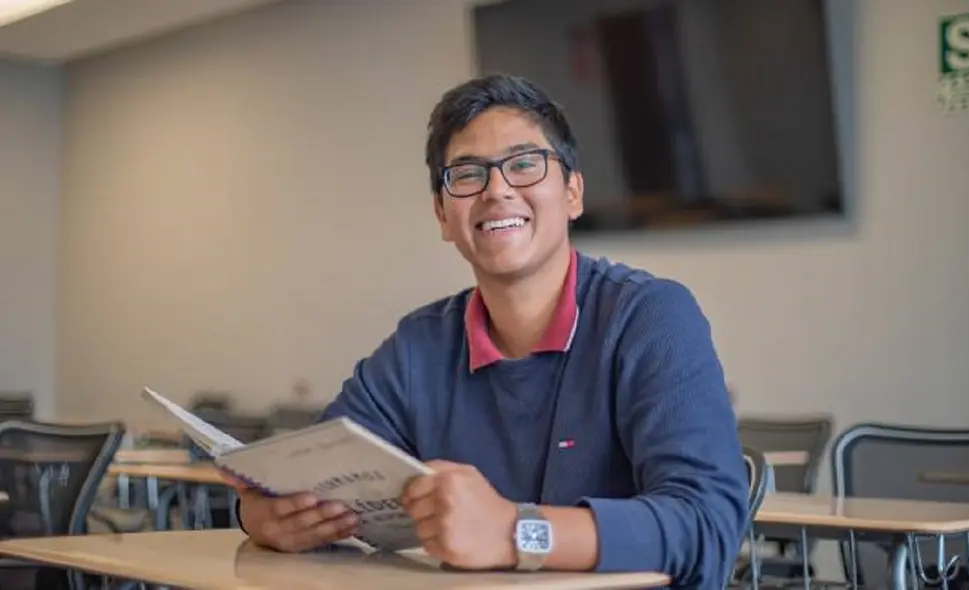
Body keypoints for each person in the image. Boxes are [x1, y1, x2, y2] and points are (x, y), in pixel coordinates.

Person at [225, 74, 749, 587]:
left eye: (524, 164)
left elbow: (707, 525)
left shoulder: (651, 317)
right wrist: (261, 515)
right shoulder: (419, 347)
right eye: (468, 174)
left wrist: (515, 532)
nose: (497, 190)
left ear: (572, 192)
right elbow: (314, 472)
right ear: (442, 214)